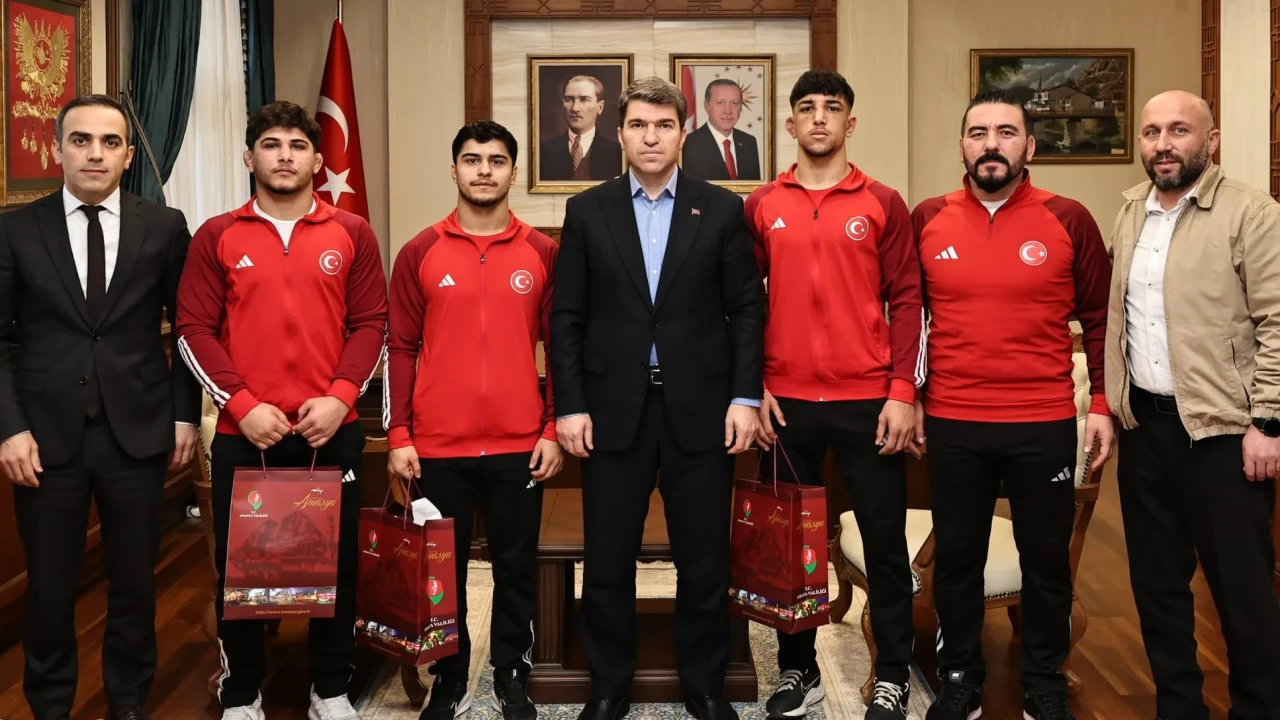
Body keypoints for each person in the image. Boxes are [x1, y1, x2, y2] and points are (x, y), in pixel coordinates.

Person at [551, 75, 764, 720]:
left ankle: (704, 685)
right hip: (611, 410)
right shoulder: (588, 211)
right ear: (619, 134)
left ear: (682, 134)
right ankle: (608, 685)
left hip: (701, 411)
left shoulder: (720, 208)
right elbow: (567, 317)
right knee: (607, 560)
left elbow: (746, 311)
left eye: (664, 125)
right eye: (639, 125)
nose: (651, 137)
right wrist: (570, 405)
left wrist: (745, 397)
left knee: (704, 560)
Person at [175, 100, 388, 720]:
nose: (285, 156)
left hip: (330, 430)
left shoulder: (352, 232)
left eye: (297, 145)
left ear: (318, 160)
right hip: (248, 433)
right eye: (271, 144)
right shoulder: (218, 235)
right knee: (243, 569)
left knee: (336, 564)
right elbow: (192, 329)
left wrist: (342, 397)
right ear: (250, 158)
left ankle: (330, 688)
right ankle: (242, 691)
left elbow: (371, 323)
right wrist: (242, 405)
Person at [912, 89, 1113, 720]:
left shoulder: (1069, 218)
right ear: (962, 146)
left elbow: (1101, 319)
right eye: (978, 133)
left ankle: (1044, 683)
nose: (991, 144)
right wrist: (909, 398)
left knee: (1046, 561)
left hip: (1043, 422)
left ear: (1029, 145)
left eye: (1006, 132)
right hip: (953, 420)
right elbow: (908, 319)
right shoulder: (928, 217)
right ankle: (960, 678)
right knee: (958, 559)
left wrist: (1101, 402)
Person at [0, 93, 200, 720]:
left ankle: (129, 703)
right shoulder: (15, 229)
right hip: (43, 440)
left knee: (136, 585)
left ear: (128, 155)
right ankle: (50, 706)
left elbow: (190, 330)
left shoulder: (163, 227)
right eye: (80, 140)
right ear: (56, 149)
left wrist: (185, 415)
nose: (95, 153)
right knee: (49, 592)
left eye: (109, 142)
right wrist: (9, 429)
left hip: (136, 434)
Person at [745, 69, 924, 720]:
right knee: (789, 545)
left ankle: (893, 673)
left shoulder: (882, 202)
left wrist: (901, 390)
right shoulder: (761, 205)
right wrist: (754, 387)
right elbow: (742, 304)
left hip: (868, 402)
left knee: (883, 542)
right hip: (785, 404)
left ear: (850, 123)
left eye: (832, 108)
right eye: (807, 108)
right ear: (790, 124)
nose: (819, 117)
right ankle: (799, 670)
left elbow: (909, 300)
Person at [1104, 89, 1280, 720]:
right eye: (1152, 132)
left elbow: (1277, 320)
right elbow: (1119, 318)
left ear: (1211, 140)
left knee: (1242, 590)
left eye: (1179, 130)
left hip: (1225, 433)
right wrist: (1110, 406)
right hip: (1145, 428)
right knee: (1157, 587)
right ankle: (1178, 708)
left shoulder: (1252, 213)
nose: (1163, 144)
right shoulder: (1131, 210)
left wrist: (1269, 421)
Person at [385, 119, 564, 720]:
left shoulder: (543, 253)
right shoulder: (419, 251)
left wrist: (551, 429)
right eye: (471, 159)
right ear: (454, 170)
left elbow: (560, 348)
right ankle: (451, 675)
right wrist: (399, 434)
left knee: (516, 568)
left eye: (495, 160)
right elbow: (399, 348)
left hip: (520, 444)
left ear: (513, 172)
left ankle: (511, 671)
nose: (483, 170)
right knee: (443, 570)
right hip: (438, 446)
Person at [540, 74, 623, 181]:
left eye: (584, 100)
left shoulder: (617, 153)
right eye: (569, 99)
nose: (575, 108)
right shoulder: (543, 152)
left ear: (600, 107)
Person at [682, 79, 762, 181]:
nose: (728, 111)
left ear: (740, 107)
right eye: (720, 103)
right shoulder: (689, 144)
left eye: (734, 103)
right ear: (707, 107)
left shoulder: (749, 142)